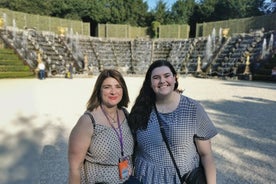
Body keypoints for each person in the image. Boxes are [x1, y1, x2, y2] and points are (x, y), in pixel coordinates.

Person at [128, 60, 218, 184]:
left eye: (166, 76)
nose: (162, 81)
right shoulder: (140, 109)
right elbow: (131, 148)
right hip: (146, 178)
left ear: (175, 78)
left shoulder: (192, 108)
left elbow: (206, 155)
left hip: (182, 178)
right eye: (156, 77)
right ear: (150, 83)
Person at [68, 69, 135, 184]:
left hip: (126, 180)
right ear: (99, 90)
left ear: (123, 90)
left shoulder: (125, 113)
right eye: (107, 87)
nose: (113, 92)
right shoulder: (88, 121)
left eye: (118, 86)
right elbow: (75, 168)